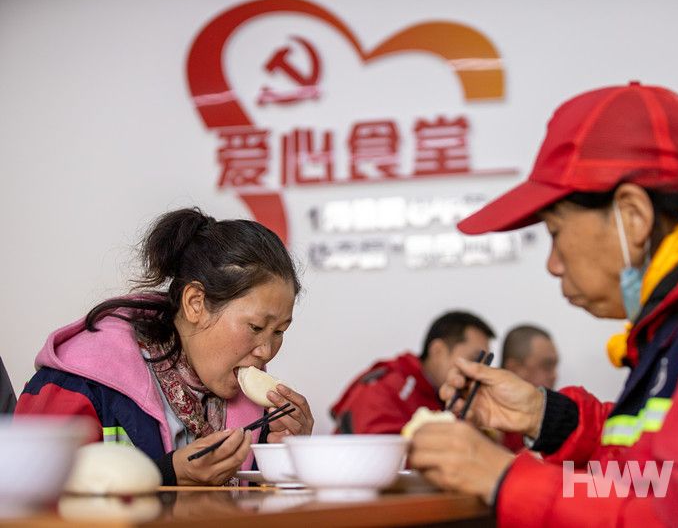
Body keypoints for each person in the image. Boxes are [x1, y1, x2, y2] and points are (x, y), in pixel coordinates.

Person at [407, 82, 678, 526]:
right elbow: (658, 478)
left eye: (556, 233)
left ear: (632, 216)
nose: (553, 265)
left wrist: (505, 481)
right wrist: (546, 417)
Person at [15, 208, 314, 486]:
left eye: (279, 331)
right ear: (195, 303)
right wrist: (169, 474)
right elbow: (29, 491)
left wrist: (287, 458)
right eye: (256, 327)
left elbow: (257, 509)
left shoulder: (260, 412)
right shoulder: (78, 383)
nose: (266, 351)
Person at [330, 311, 494, 434]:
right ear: (437, 350)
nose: (480, 372)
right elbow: (379, 452)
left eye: (485, 363)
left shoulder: (451, 395)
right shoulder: (385, 385)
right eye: (474, 359)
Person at [499, 325, 558, 451]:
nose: (554, 376)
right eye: (547, 366)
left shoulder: (556, 424)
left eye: (555, 366)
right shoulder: (486, 427)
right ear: (514, 369)